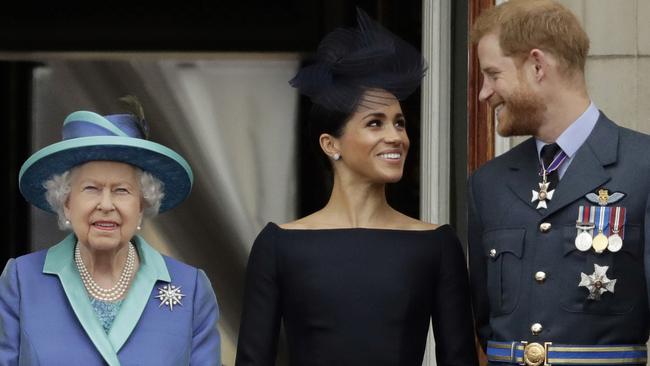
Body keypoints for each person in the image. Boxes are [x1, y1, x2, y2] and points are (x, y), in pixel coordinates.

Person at [235, 8, 477, 366]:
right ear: (331, 144)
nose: (396, 137)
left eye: (399, 123)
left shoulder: (436, 244)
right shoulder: (278, 245)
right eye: (375, 124)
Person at [468, 0, 650, 365]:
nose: (483, 93)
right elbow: (485, 322)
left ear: (537, 66)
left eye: (492, 74)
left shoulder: (642, 164)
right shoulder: (488, 183)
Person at [0, 98, 221, 365]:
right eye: (91, 188)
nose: (106, 205)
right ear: (66, 203)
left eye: (122, 190)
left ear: (142, 205)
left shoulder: (192, 287)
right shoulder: (22, 281)